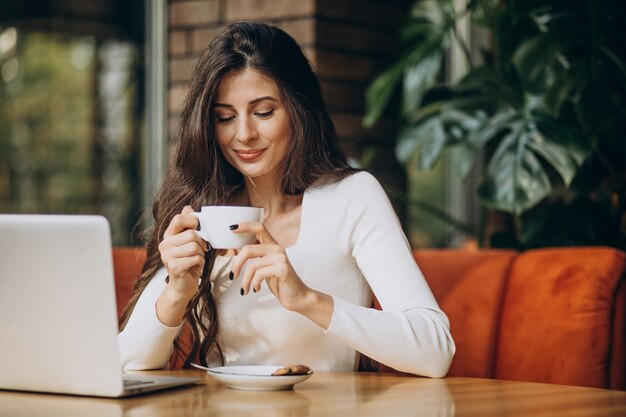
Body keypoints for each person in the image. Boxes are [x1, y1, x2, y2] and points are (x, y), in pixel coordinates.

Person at [118, 21, 455, 377]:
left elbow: (435, 351)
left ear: (298, 109)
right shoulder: (205, 212)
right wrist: (176, 292)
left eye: (263, 112)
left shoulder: (351, 198)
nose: (244, 134)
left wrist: (307, 300)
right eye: (225, 118)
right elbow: (126, 366)